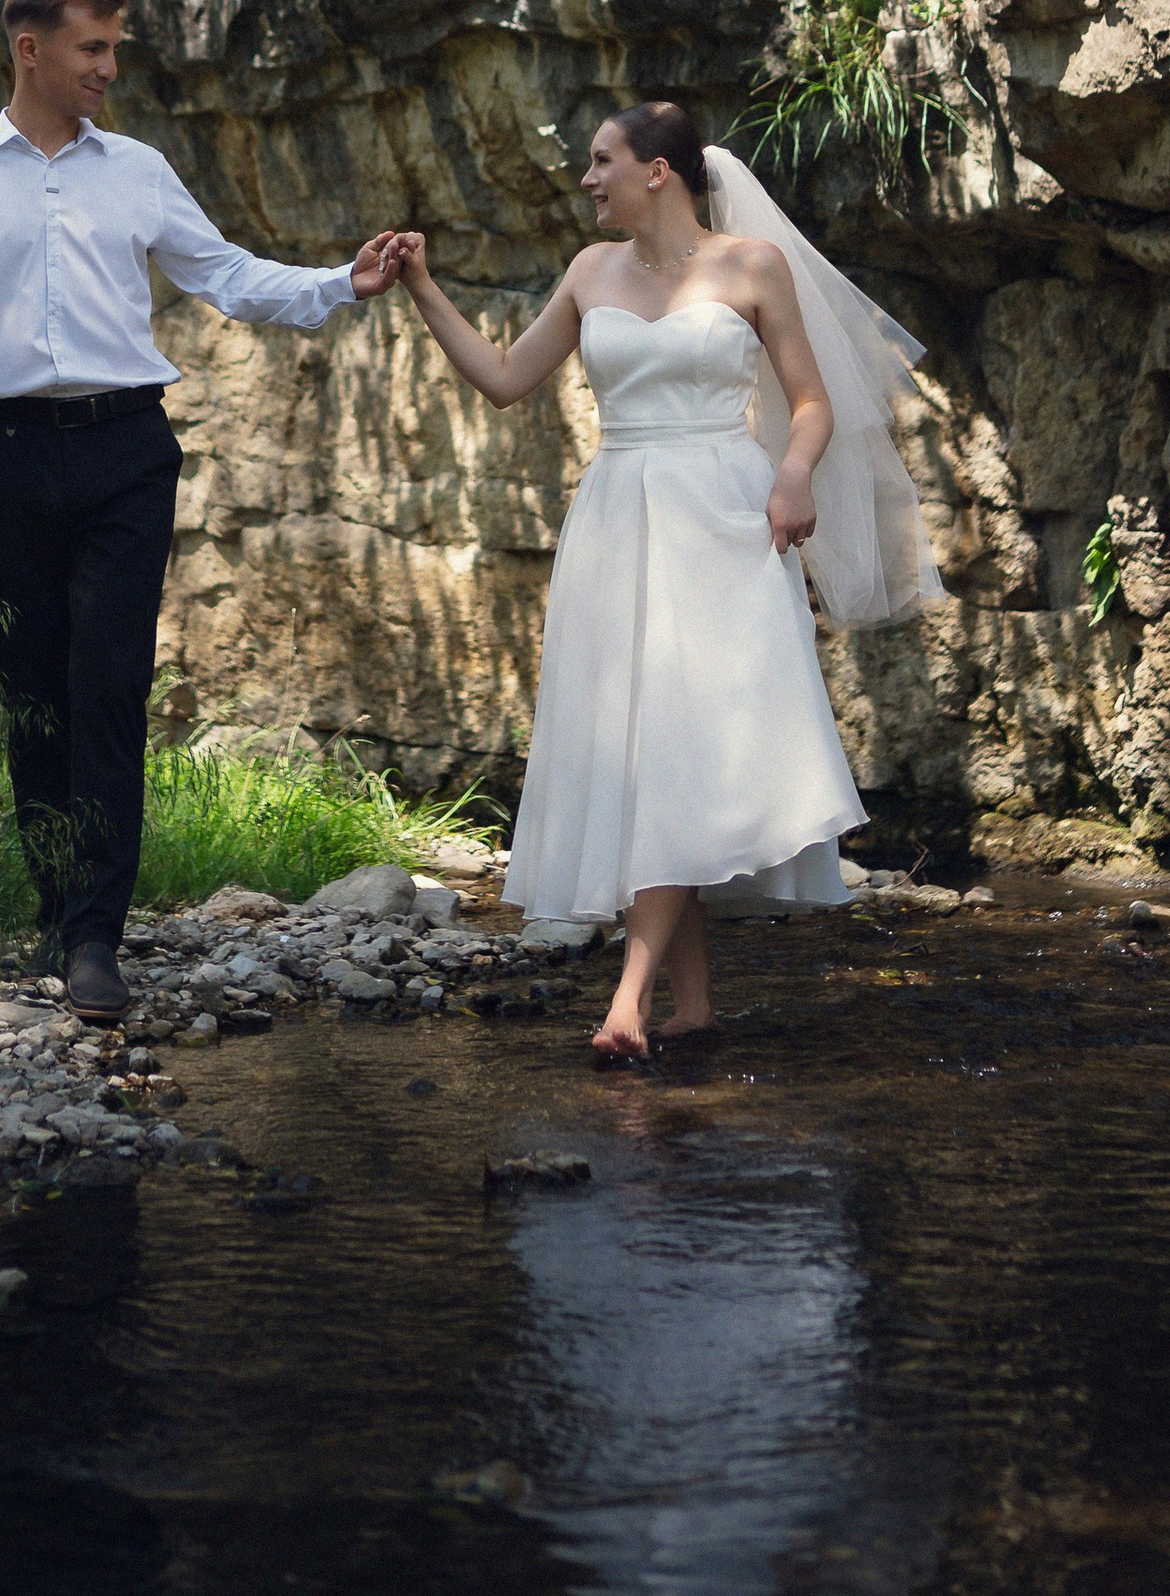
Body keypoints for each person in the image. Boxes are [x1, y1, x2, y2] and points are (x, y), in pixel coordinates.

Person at [0, 0, 404, 1025]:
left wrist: (343, 283)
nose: (110, 68)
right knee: (33, 693)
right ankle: (57, 904)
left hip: (126, 454)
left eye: (114, 49)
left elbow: (226, 274)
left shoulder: (139, 169)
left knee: (108, 684)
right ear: (30, 49)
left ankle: (95, 936)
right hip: (5, 454)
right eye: (92, 49)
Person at [381, 98, 941, 1060]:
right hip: (617, 519)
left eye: (602, 160)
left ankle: (629, 1000)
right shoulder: (589, 271)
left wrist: (794, 473)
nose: (587, 179)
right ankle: (694, 1008)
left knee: (687, 744)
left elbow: (812, 402)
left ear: (658, 171)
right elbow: (504, 379)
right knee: (648, 751)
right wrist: (422, 286)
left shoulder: (751, 265)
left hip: (725, 519)